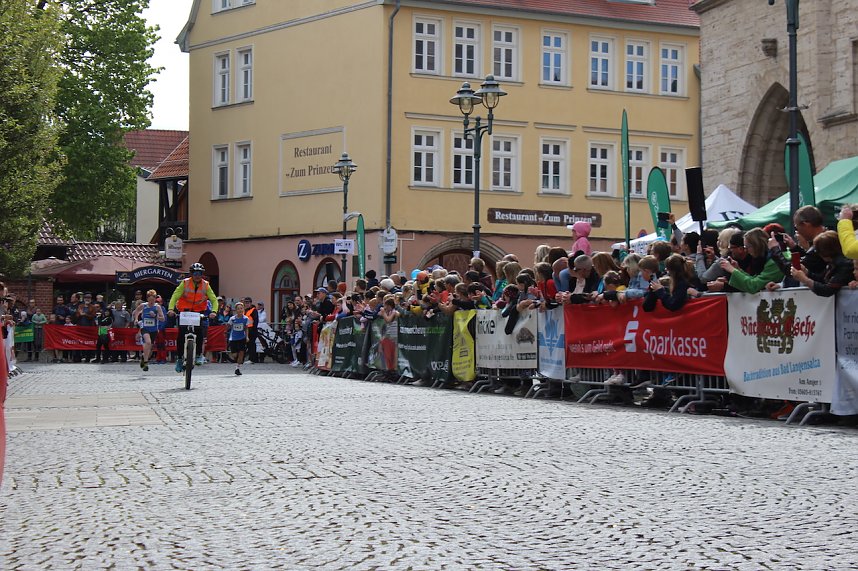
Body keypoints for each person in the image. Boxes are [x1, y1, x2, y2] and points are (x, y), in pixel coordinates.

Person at [167, 262, 219, 372]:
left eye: (199, 273)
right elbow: (175, 296)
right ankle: (180, 359)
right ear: (191, 274)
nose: (197, 275)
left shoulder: (206, 285)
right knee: (181, 334)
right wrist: (171, 309)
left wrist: (214, 311)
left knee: (199, 332)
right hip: (184, 311)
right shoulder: (184, 283)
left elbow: (214, 299)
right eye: (195, 273)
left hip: (198, 312)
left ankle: (199, 354)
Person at [131, 290, 165, 371]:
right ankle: (146, 363)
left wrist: (155, 316)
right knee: (148, 342)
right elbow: (136, 312)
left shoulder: (157, 307)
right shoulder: (143, 305)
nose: (151, 301)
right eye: (150, 299)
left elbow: (163, 319)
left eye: (153, 299)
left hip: (154, 329)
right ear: (147, 299)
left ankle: (144, 357)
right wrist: (136, 319)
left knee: (149, 348)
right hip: (145, 328)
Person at [227, 302, 249, 375]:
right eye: (238, 309)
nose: (240, 310)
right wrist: (228, 326)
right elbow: (228, 326)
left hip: (241, 338)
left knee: (241, 353)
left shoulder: (245, 319)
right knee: (235, 355)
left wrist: (247, 336)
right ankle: (236, 360)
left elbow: (246, 328)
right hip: (233, 338)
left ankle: (237, 368)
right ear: (236, 310)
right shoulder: (232, 318)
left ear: (243, 309)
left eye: (241, 308)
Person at [243, 297, 260, 363]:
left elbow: (255, 321)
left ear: (250, 303)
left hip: (252, 330)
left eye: (248, 303)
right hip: (246, 329)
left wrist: (253, 329)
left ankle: (252, 359)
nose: (247, 304)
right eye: (246, 303)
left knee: (251, 345)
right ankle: (252, 358)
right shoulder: (245, 310)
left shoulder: (253, 310)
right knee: (249, 345)